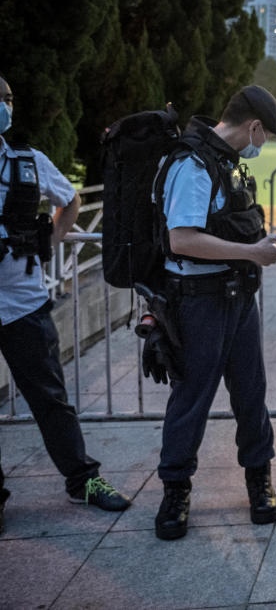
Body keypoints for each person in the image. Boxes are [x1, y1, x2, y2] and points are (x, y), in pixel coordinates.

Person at [153, 85, 276, 540]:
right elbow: (183, 239)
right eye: (264, 135)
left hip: (236, 299)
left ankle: (259, 481)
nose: (262, 144)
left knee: (251, 393)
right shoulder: (192, 165)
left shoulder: (226, 164)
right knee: (192, 397)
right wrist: (252, 252)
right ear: (253, 126)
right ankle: (175, 491)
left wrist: (249, 257)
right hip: (198, 300)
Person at [0, 75, 131, 536]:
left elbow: (71, 200)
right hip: (20, 302)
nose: (3, 108)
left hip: (24, 303)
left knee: (51, 400)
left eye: (6, 101)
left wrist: (52, 239)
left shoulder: (27, 161)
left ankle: (83, 479)